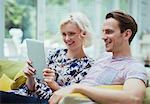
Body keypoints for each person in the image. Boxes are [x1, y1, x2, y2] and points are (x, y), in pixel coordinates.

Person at [49, 11, 148, 104]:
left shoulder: (133, 67)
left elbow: (134, 98)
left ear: (126, 34)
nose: (103, 37)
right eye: (103, 32)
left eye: (109, 32)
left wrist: (78, 88)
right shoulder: (103, 58)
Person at [0, 12, 94, 104]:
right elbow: (31, 88)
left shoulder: (89, 65)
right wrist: (30, 77)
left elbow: (72, 97)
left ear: (84, 33)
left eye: (71, 33)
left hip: (46, 101)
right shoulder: (54, 54)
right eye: (64, 34)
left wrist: (53, 84)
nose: (67, 38)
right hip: (25, 95)